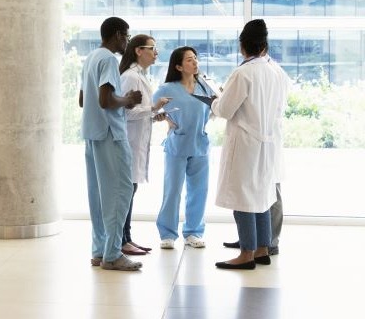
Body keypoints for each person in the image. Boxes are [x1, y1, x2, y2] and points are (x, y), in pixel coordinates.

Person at [212, 19, 292, 269]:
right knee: (263, 196)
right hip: (267, 142)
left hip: (246, 143)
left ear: (242, 45)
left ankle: (246, 253)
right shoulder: (275, 71)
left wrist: (216, 99)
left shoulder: (243, 72)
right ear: (265, 46)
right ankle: (262, 249)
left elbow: (225, 110)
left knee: (243, 199)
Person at [80, 17, 143, 271]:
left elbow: (84, 100)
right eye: (126, 36)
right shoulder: (108, 59)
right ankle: (114, 254)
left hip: (92, 134)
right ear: (117, 35)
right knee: (120, 192)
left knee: (98, 196)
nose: (127, 41)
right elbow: (106, 100)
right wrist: (127, 99)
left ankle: (99, 250)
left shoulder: (90, 58)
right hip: (110, 134)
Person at [152, 46, 213, 249]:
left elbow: (217, 108)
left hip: (200, 145)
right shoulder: (167, 88)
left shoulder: (204, 85)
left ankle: (193, 232)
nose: (195, 62)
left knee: (199, 192)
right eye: (189, 60)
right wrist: (164, 118)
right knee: (172, 191)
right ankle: (167, 234)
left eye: (195, 58)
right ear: (178, 66)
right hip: (177, 145)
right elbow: (149, 111)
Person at [118, 35, 170, 255]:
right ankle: (122, 240)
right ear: (139, 51)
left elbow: (137, 113)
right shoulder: (130, 77)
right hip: (128, 141)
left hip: (137, 140)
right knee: (126, 190)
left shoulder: (141, 76)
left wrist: (153, 115)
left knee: (131, 188)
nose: (156, 52)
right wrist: (152, 108)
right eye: (152, 48)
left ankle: (127, 237)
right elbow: (125, 111)